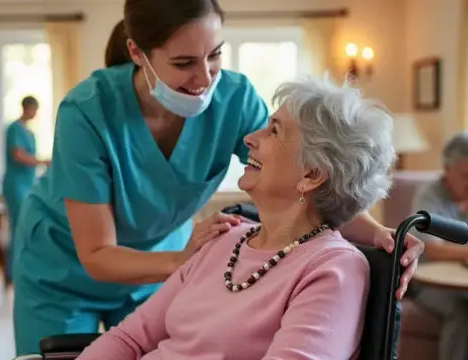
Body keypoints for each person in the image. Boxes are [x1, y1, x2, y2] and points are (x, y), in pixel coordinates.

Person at [11, 0, 425, 355]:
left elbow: (314, 176)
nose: (206, 78)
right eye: (183, 63)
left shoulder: (234, 99)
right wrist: (186, 261)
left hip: (169, 259)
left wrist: (381, 235)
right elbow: (100, 262)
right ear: (137, 53)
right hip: (65, 269)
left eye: (215, 55)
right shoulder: (87, 112)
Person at [76, 75, 393, 360]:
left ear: (311, 174)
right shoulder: (223, 237)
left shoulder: (332, 269)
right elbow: (129, 339)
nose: (249, 138)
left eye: (274, 131)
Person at [411, 132, 468, 360]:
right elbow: (433, 250)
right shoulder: (429, 197)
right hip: (429, 283)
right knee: (464, 308)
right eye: (466, 175)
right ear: (447, 169)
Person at [2, 96, 49, 286]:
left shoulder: (29, 133)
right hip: (15, 185)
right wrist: (43, 162)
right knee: (18, 227)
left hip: (28, 184)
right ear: (27, 108)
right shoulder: (14, 129)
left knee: (29, 226)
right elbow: (18, 156)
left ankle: (24, 270)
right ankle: (12, 272)